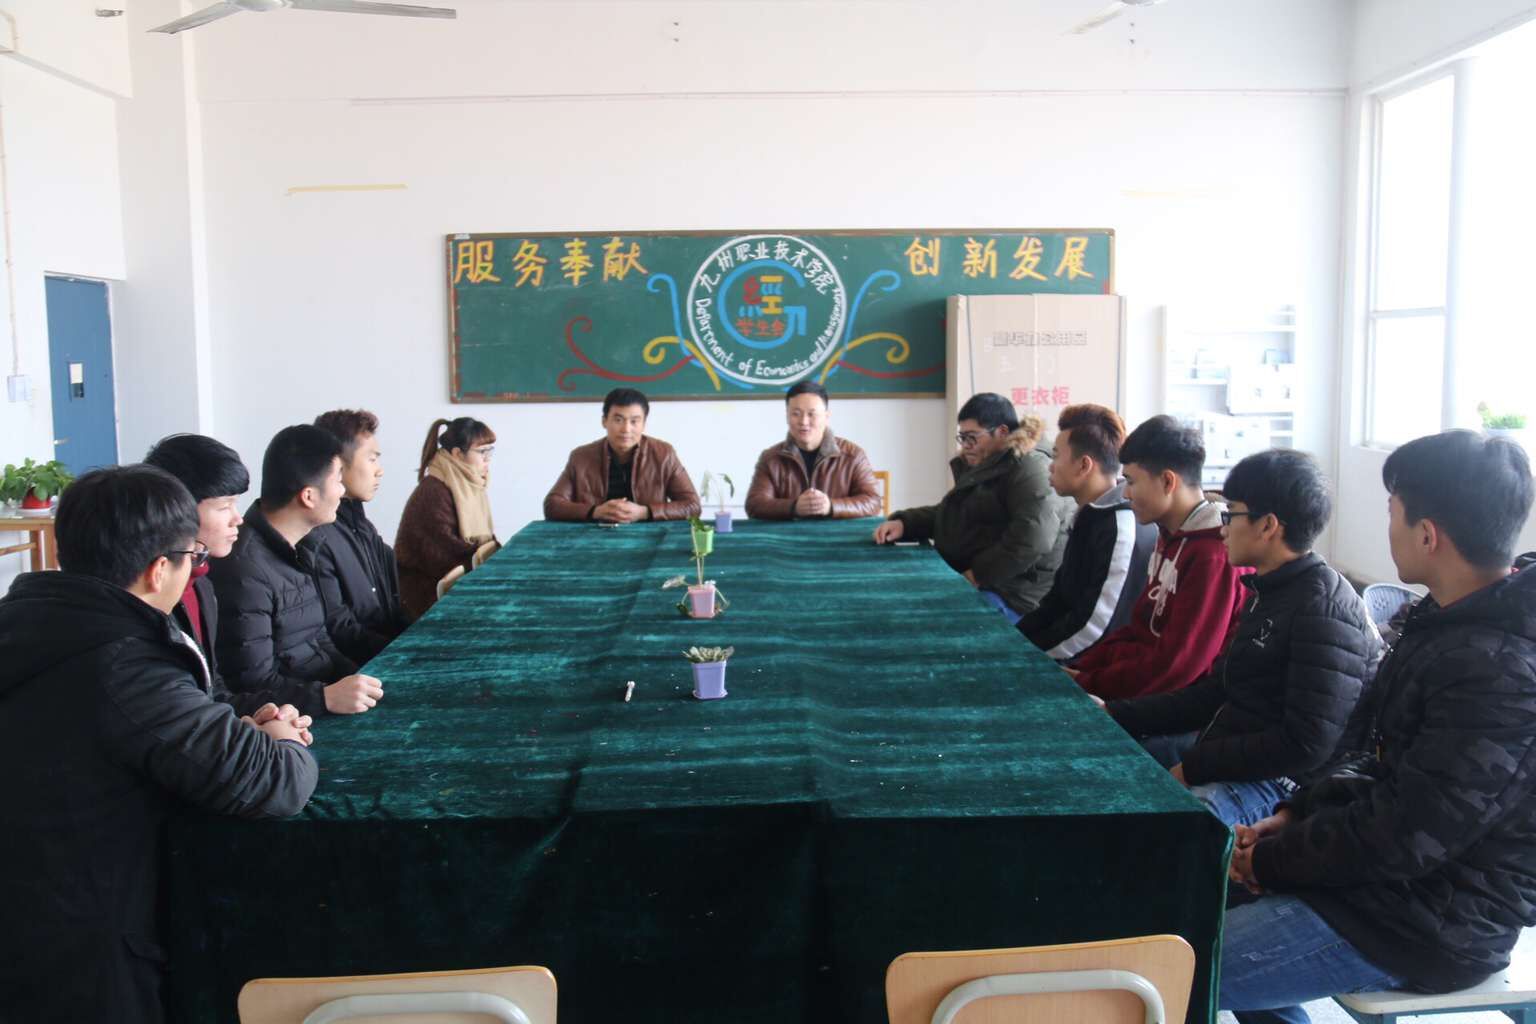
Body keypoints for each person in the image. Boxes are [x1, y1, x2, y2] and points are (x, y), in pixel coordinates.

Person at [1221, 430, 1536, 1023]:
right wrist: (1294, 816)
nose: (1387, 526)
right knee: (1190, 899)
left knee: (1171, 965)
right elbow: (1372, 756)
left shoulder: (1499, 671)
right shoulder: (1443, 622)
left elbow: (1408, 833)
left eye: (1392, 510)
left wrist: (1274, 861)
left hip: (1430, 921)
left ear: (1427, 534)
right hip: (1379, 887)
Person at [0, 465, 317, 1024]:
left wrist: (229, 728)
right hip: (84, 954)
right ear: (158, 571)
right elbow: (275, 782)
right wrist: (284, 739)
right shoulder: (123, 663)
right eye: (194, 557)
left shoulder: (30, 621)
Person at [1103, 448, 1379, 827]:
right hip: (1231, 752)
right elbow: (1217, 692)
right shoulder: (1269, 590)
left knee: (1166, 831)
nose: (1222, 529)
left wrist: (1194, 767)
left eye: (1230, 514)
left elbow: (1305, 745)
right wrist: (1114, 713)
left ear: (1267, 526)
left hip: (1284, 786)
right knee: (1114, 774)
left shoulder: (1324, 609)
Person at [1064, 414, 1248, 699]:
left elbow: (1178, 667)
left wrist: (1089, 683)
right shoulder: (1170, 534)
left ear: (1167, 481)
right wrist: (1081, 670)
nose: (1126, 493)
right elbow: (1138, 631)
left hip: (1173, 707)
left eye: (1131, 481)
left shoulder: (1213, 555)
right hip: (1135, 688)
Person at [210, 425, 383, 716]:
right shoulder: (244, 571)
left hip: (316, 697)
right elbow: (251, 682)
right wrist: (325, 697)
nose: (343, 491)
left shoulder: (302, 545)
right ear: (308, 496)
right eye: (338, 480)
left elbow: (320, 639)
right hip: (293, 717)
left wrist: (358, 679)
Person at [873, 392, 1070, 619]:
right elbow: (955, 513)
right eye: (962, 437)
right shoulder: (989, 462)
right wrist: (905, 524)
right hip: (987, 579)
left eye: (972, 437)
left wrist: (978, 575)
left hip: (1014, 593)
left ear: (1002, 432)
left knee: (924, 618)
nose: (966, 445)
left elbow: (1032, 539)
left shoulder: (1029, 468)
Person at [1016, 404, 1157, 659]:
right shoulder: (1090, 514)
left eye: (1056, 456)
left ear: (1083, 465)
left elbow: (1095, 627)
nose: (1050, 466)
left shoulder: (1120, 526)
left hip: (1096, 666)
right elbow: (1058, 601)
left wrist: (1031, 659)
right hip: (1073, 653)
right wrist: (1014, 642)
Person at [311, 409, 407, 663]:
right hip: (360, 669)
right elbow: (341, 630)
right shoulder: (318, 536)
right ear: (337, 466)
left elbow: (391, 610)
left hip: (384, 653)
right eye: (372, 459)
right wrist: (404, 653)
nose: (379, 471)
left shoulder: (362, 526)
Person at [543, 387, 701, 523]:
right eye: (618, 420)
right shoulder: (581, 457)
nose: (626, 429)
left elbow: (692, 506)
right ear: (604, 421)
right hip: (595, 537)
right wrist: (595, 511)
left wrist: (644, 512)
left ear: (644, 423)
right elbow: (552, 505)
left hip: (648, 538)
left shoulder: (664, 454)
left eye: (634, 421)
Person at [396, 416, 499, 620]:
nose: (488, 459)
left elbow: (482, 545)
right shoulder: (434, 491)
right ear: (457, 454)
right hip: (426, 598)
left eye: (490, 451)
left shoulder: (469, 484)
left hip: (452, 585)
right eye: (482, 452)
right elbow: (447, 554)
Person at [744, 380, 882, 520]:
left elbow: (874, 502)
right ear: (787, 416)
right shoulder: (770, 458)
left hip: (837, 533)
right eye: (796, 414)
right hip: (790, 534)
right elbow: (754, 505)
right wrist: (794, 507)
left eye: (812, 414)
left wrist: (831, 506)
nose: (804, 422)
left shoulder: (852, 455)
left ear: (826, 417)